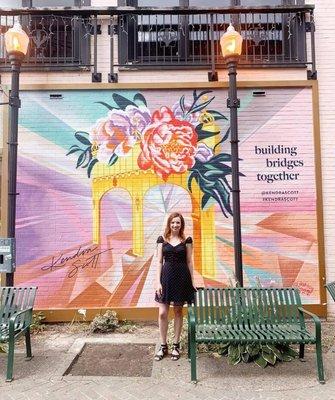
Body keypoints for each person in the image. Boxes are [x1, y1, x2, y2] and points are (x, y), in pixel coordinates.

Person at [154, 212, 196, 361]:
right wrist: (157, 282)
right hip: (165, 279)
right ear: (169, 224)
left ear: (181, 225)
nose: (175, 225)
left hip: (181, 279)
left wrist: (192, 281)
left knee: (178, 312)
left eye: (178, 222)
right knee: (162, 313)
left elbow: (189, 262)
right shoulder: (162, 240)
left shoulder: (187, 241)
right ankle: (163, 345)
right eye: (173, 222)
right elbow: (159, 262)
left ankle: (175, 345)